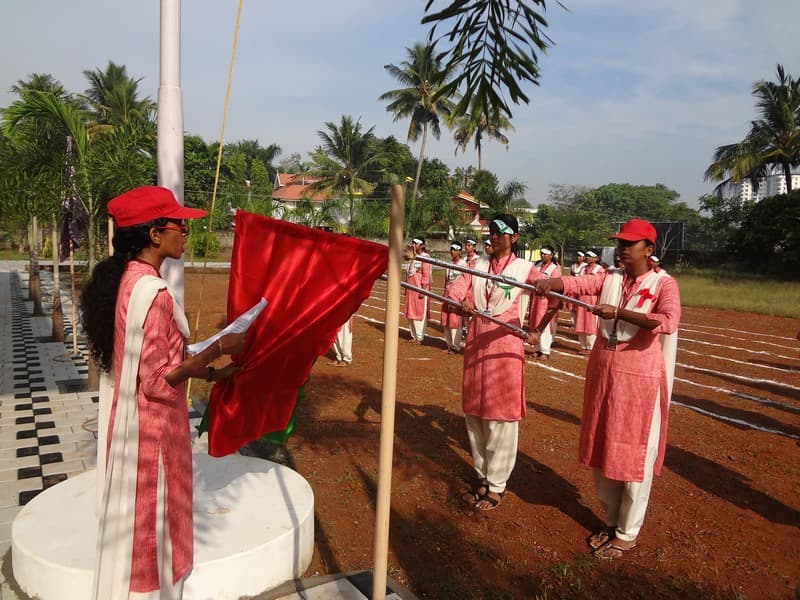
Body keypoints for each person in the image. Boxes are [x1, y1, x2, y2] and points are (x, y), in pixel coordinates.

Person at [80, 186, 246, 599]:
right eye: (180, 226)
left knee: (138, 528)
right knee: (154, 527)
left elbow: (157, 358)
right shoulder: (152, 295)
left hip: (135, 424)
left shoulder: (130, 280)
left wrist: (208, 372)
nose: (185, 234)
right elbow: (157, 379)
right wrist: (219, 347)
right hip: (154, 434)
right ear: (155, 234)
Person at [533, 218, 680, 560]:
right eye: (620, 243)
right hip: (604, 376)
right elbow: (579, 282)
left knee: (634, 455)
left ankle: (628, 532)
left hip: (639, 383)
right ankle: (612, 521)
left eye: (630, 244)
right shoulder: (610, 278)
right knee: (602, 449)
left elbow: (668, 320)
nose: (622, 249)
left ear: (649, 249)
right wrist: (552, 282)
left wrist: (622, 313)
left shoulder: (664, 283)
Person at [447, 215, 542, 511]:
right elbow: (454, 290)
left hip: (505, 350)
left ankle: (497, 484)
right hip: (476, 346)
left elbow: (547, 295)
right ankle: (483, 476)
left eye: (501, 232)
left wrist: (537, 328)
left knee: (500, 418)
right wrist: (459, 301)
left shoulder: (525, 269)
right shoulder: (476, 267)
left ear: (514, 237)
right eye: (491, 232)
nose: (495, 236)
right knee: (475, 415)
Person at [529, 244, 561, 360]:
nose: (543, 256)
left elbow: (556, 284)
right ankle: (537, 348)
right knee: (534, 322)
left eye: (546, 254)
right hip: (535, 299)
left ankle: (545, 350)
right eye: (542, 253)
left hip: (547, 300)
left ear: (552, 255)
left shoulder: (554, 268)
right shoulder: (536, 266)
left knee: (545, 323)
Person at [574, 250, 605, 354]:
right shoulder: (583, 269)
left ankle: (590, 346)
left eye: (590, 256)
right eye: (586, 256)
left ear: (596, 258)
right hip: (581, 297)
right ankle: (583, 345)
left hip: (593, 298)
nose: (587, 258)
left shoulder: (599, 270)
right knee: (580, 321)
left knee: (590, 323)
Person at [403, 237, 432, 343]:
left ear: (422, 245)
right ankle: (413, 335)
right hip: (411, 289)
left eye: (416, 243)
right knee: (410, 313)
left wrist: (423, 290)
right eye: (413, 243)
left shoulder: (425, 257)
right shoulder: (412, 257)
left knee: (419, 313)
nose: (414, 245)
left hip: (419, 289)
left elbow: (426, 274)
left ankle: (419, 337)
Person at [441, 242, 467, 353]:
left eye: (455, 249)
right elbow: (447, 281)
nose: (452, 251)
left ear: (460, 251)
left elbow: (467, 282)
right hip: (447, 295)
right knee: (446, 320)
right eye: (451, 249)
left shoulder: (464, 265)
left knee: (456, 321)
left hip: (457, 297)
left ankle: (455, 346)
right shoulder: (449, 264)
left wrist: (463, 297)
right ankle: (449, 345)